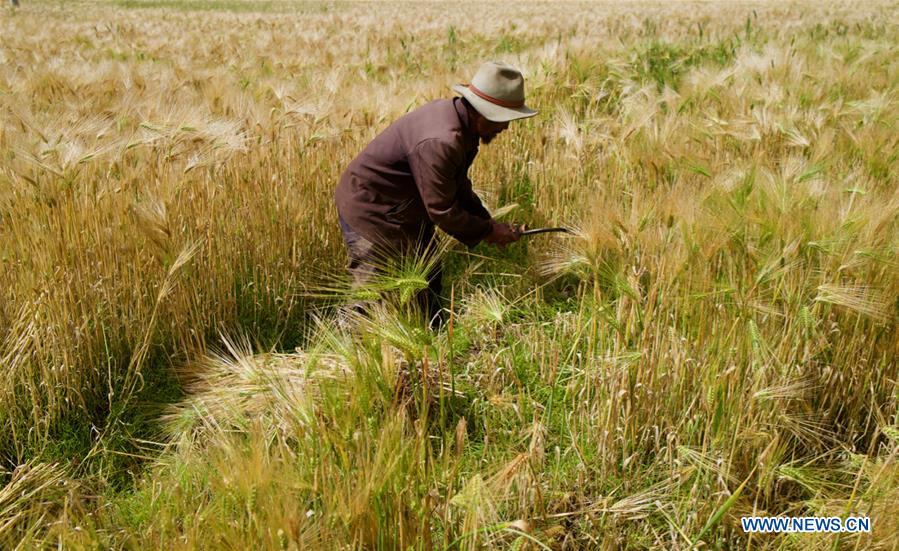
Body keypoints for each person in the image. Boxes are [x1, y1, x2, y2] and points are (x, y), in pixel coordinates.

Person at [334, 61, 537, 327]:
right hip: (372, 206)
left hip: (403, 204)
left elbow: (457, 186)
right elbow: (443, 210)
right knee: (372, 286)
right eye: (503, 119)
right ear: (483, 112)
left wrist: (488, 223)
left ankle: (429, 338)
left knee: (427, 275)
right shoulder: (443, 140)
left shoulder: (459, 123)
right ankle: (348, 342)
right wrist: (488, 231)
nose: (506, 127)